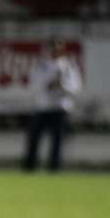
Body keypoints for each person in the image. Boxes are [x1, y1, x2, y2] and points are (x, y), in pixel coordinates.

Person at [22, 38, 82, 172]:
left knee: (57, 141)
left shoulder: (68, 66)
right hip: (42, 107)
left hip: (60, 108)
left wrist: (61, 86)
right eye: (51, 48)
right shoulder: (40, 66)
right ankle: (29, 167)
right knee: (34, 139)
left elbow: (75, 88)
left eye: (57, 48)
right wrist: (47, 84)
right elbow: (32, 85)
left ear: (62, 49)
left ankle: (54, 168)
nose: (54, 51)